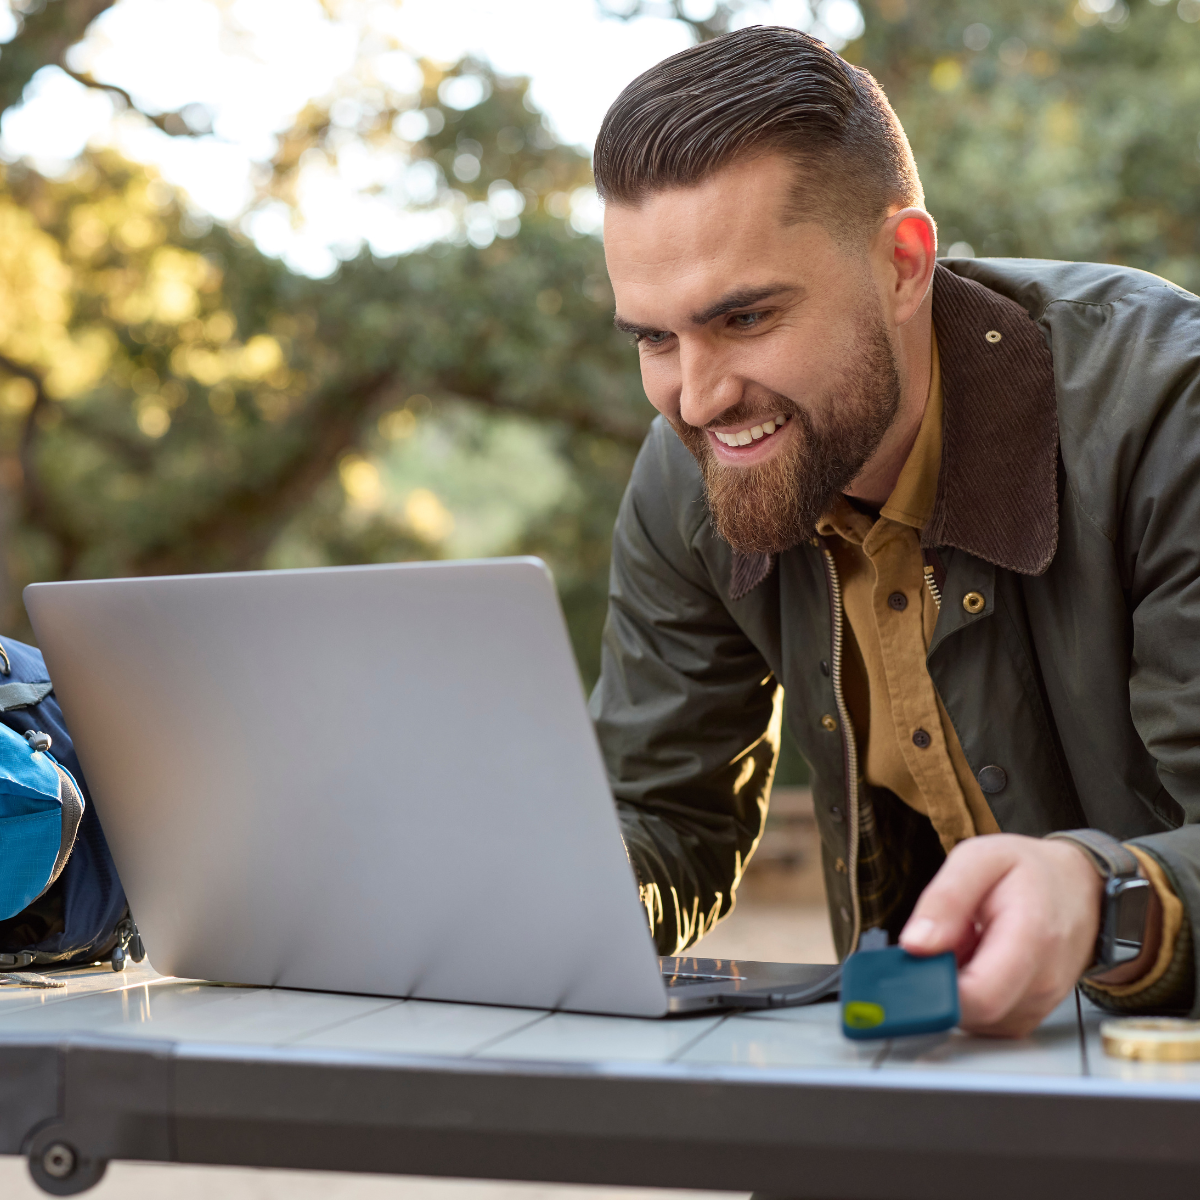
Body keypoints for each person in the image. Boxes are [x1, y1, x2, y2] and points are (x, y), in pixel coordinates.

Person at [588, 25, 1200, 1037]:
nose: (696, 398)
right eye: (655, 336)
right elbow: (664, 822)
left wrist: (1104, 898)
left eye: (744, 320)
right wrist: (522, 885)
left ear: (904, 265)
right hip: (921, 1061)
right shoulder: (690, 476)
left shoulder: (1169, 414)